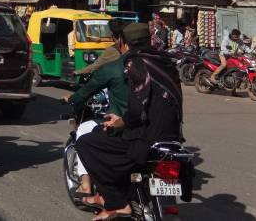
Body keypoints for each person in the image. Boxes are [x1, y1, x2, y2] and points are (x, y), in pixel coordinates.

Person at [75, 23, 183, 220]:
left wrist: (120, 122)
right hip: (172, 135)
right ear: (149, 40)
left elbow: (137, 108)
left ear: (124, 42)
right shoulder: (165, 61)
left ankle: (117, 202)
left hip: (146, 136)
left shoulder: (135, 63)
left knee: (87, 142)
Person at [62, 19, 128, 205]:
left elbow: (95, 76)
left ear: (119, 40)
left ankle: (87, 185)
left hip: (128, 124)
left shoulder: (118, 63)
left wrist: (78, 77)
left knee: (84, 136)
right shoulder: (157, 63)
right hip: (159, 128)